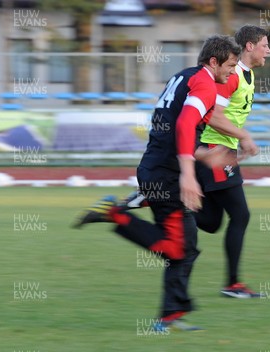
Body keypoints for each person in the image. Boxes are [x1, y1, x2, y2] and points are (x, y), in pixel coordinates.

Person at [72, 35, 244, 331]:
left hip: (156, 168)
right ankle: (115, 213)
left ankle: (171, 315)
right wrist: (189, 174)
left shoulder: (183, 77)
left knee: (184, 246)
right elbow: (183, 124)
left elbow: (175, 129)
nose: (232, 71)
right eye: (230, 65)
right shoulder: (203, 83)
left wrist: (204, 155)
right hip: (166, 174)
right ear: (213, 61)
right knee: (179, 249)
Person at [194, 25, 270, 298]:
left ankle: (164, 198)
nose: (268, 50)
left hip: (223, 149)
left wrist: (238, 143)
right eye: (264, 44)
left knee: (212, 221)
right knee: (240, 214)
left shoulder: (245, 75)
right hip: (214, 149)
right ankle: (233, 285)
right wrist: (244, 136)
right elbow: (211, 115)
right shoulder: (233, 74)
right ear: (249, 46)